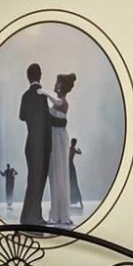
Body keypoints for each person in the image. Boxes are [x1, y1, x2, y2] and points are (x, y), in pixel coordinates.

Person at [15, 64, 54, 227]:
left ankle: (30, 216)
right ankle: (32, 217)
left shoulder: (25, 96)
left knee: (33, 181)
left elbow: (22, 116)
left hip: (30, 144)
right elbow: (48, 121)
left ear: (28, 76)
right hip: (42, 146)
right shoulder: (42, 96)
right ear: (40, 75)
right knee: (39, 181)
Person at [51, 72, 82, 223]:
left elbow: (55, 104)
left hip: (59, 138)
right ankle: (57, 213)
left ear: (62, 86)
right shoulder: (59, 102)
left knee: (60, 174)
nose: (55, 85)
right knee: (56, 175)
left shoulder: (62, 101)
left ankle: (61, 214)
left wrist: (43, 93)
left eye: (58, 83)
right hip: (55, 137)